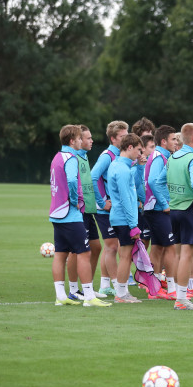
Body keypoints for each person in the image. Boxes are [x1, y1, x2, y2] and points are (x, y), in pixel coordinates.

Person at [49, 124, 110, 307]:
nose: (81, 141)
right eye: (78, 138)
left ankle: (61, 296)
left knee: (60, 254)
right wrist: (76, 200)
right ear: (72, 140)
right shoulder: (71, 158)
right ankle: (89, 297)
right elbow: (71, 181)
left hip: (56, 213)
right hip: (71, 214)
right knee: (84, 253)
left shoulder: (57, 156)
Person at [167, 123, 193, 311]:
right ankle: (181, 299)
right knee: (186, 255)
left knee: (177, 253)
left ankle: (177, 294)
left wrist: (168, 199)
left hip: (174, 209)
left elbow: (156, 181)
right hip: (189, 208)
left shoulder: (172, 157)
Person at [66, 125, 106, 300]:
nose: (91, 141)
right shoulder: (73, 158)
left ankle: (86, 286)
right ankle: (74, 290)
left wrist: (99, 203)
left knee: (96, 247)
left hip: (88, 211)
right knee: (76, 251)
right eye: (88, 138)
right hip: (79, 211)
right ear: (78, 140)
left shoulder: (83, 157)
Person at [90, 120, 129, 296]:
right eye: (122, 136)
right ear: (113, 139)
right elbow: (93, 177)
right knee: (112, 246)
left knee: (112, 247)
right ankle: (116, 285)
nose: (126, 139)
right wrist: (102, 201)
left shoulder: (121, 155)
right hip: (105, 209)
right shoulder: (107, 155)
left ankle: (105, 284)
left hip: (115, 208)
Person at [107, 133, 145, 304]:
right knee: (125, 256)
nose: (139, 154)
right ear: (130, 147)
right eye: (138, 150)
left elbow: (132, 187)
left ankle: (122, 292)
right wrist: (133, 225)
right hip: (124, 218)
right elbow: (125, 198)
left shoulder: (118, 164)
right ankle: (121, 294)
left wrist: (139, 166)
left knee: (125, 255)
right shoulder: (121, 169)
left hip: (120, 217)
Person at [144, 125, 177, 299]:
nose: (176, 142)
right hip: (158, 209)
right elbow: (153, 182)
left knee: (157, 247)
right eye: (173, 139)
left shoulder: (161, 156)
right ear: (163, 141)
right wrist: (164, 204)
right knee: (171, 248)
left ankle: (154, 288)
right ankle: (171, 288)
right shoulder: (159, 157)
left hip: (153, 209)